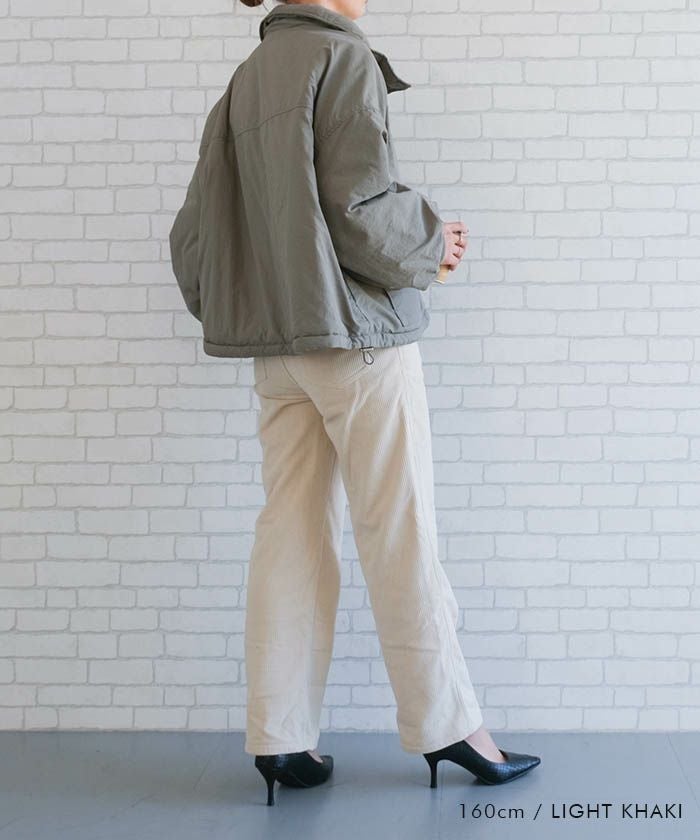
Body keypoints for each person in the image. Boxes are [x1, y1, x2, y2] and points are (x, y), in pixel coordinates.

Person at [169, 0, 541, 807]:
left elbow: (194, 237)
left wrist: (246, 306)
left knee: (289, 534)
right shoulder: (341, 57)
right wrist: (435, 244)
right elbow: (361, 205)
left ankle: (280, 738)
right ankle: (449, 727)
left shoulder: (244, 80)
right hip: (358, 342)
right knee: (399, 528)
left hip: (280, 351)